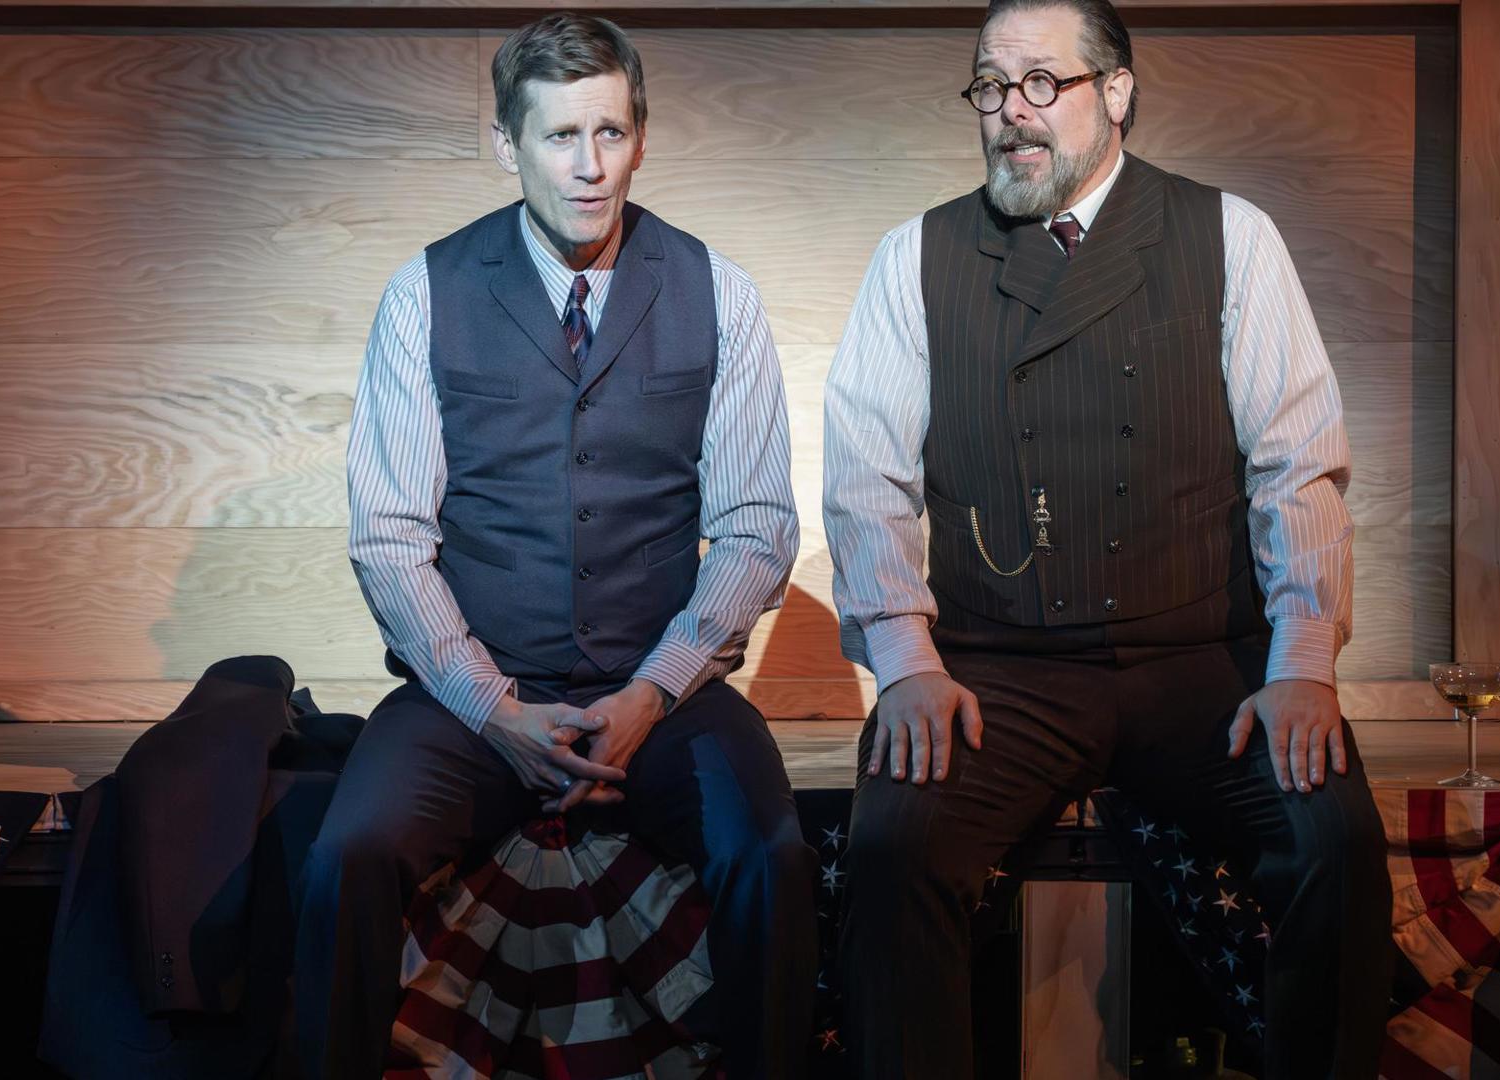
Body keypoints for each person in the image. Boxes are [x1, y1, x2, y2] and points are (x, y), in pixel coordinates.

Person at [823, 0, 1392, 1075]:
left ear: (1117, 94)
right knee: (894, 849)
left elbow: (1296, 463)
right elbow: (867, 481)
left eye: (1042, 83)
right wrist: (903, 662)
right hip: (1000, 674)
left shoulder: (1231, 235)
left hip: (1198, 666)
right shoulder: (920, 255)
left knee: (1337, 842)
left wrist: (1304, 664)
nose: (1010, 115)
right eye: (990, 87)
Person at [293, 13, 814, 1078]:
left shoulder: (720, 291)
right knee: (347, 856)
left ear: (641, 135)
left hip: (663, 696)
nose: (590, 167)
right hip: (475, 699)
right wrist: (494, 708)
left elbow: (759, 525)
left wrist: (654, 691)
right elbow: (389, 538)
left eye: (611, 135)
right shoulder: (424, 291)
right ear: (504, 144)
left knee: (769, 855)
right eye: (560, 137)